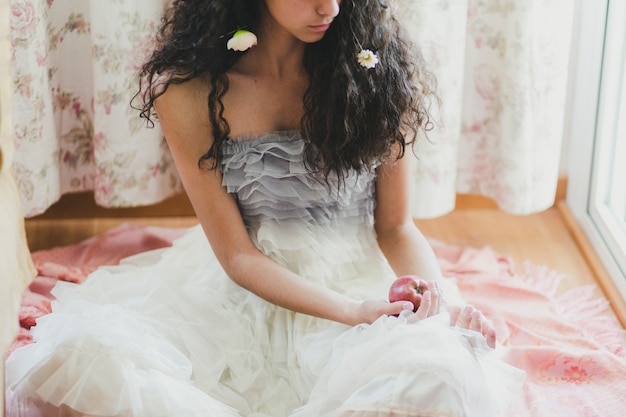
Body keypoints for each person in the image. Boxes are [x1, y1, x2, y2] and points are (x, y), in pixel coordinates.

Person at [5, 0, 524, 416]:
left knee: (433, 375)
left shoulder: (376, 76)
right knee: (98, 364)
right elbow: (238, 258)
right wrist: (350, 314)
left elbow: (395, 226)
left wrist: (438, 308)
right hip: (245, 288)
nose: (331, 8)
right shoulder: (189, 91)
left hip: (361, 275)